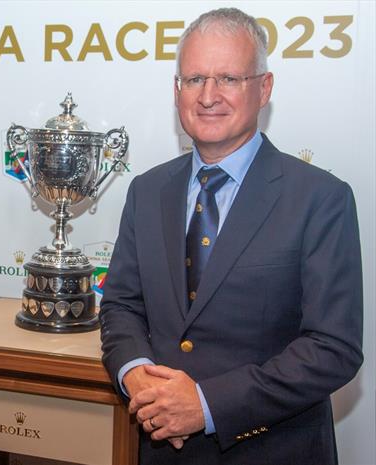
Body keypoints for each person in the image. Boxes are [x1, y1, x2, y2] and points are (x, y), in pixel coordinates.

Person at [99, 7, 362, 465]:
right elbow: (122, 304)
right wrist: (135, 373)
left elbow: (332, 347)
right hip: (163, 451)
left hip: (273, 450)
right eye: (194, 79)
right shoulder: (147, 190)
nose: (208, 96)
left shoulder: (321, 198)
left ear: (264, 88)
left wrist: (206, 405)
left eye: (228, 79)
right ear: (177, 91)